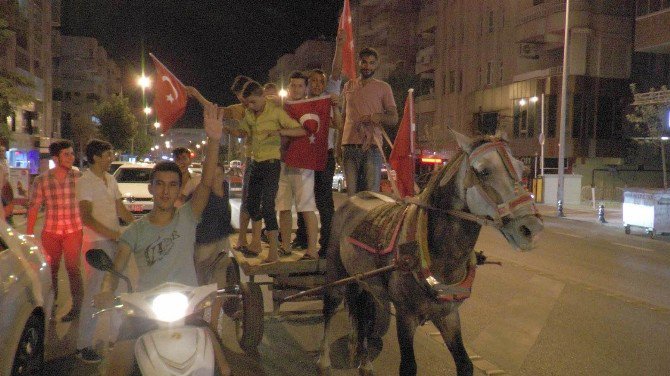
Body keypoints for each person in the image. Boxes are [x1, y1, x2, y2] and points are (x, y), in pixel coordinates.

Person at [94, 102, 225, 375]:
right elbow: (115, 270)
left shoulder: (188, 216)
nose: (166, 192)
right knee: (114, 368)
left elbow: (207, 181)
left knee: (222, 369)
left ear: (180, 189)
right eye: (160, 184)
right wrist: (107, 290)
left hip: (187, 310)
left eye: (173, 185)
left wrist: (214, 141)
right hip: (145, 314)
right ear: (151, 188)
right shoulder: (134, 232)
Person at [227, 80, 306, 263]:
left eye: (253, 102)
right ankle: (256, 243)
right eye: (248, 104)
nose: (250, 106)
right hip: (255, 163)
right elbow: (243, 132)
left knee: (268, 206)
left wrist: (279, 131)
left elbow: (300, 130)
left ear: (262, 96)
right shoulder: (249, 113)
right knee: (252, 204)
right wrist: (227, 130)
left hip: (271, 164)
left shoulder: (276, 111)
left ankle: (273, 252)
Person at [76, 139, 135, 363]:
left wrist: (138, 228)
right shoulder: (85, 182)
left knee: (118, 289)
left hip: (114, 243)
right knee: (94, 293)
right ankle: (84, 345)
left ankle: (116, 337)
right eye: (108, 155)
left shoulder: (110, 179)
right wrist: (113, 234)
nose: (111, 158)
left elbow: (121, 209)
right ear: (95, 157)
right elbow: (86, 217)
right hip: (96, 244)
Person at [293, 33, 344, 254]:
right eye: (312, 80)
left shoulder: (328, 99)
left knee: (324, 200)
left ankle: (327, 243)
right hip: (306, 157)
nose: (316, 84)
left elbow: (338, 125)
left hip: (325, 155)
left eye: (320, 81)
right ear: (307, 84)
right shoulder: (302, 103)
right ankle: (303, 237)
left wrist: (340, 46)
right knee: (304, 198)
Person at [27, 140, 83, 322]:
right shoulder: (42, 180)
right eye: (67, 154)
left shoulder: (78, 177)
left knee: (73, 269)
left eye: (72, 154)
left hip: (74, 230)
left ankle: (77, 308)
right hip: (51, 231)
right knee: (51, 270)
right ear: (55, 158)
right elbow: (34, 207)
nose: (71, 158)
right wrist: (29, 234)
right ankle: (50, 308)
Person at [341, 47, 398, 195]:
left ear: (376, 65)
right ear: (358, 63)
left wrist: (376, 117)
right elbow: (343, 116)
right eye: (364, 62)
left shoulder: (384, 88)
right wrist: (338, 146)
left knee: (370, 195)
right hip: (349, 147)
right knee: (352, 197)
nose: (367, 66)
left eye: (372, 63)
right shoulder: (348, 86)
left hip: (372, 148)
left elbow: (393, 118)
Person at [276, 71, 320, 260]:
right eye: (292, 85)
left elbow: (307, 130)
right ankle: (285, 246)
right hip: (282, 161)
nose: (295, 89)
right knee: (283, 207)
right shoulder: (281, 108)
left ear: (306, 88)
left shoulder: (311, 108)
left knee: (306, 207)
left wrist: (281, 130)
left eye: (300, 86)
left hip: (302, 162)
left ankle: (312, 250)